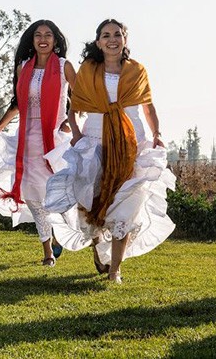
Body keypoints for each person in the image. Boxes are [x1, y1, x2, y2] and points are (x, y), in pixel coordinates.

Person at [44, 19, 176, 284]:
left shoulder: (137, 71)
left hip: (130, 143)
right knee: (92, 202)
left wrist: (157, 134)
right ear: (98, 42)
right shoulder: (89, 70)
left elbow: (148, 107)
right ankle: (97, 246)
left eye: (117, 34)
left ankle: (115, 269)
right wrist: (77, 134)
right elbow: (74, 108)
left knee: (127, 203)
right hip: (95, 141)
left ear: (125, 39)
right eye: (106, 35)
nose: (112, 39)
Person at [0, 20, 76, 266]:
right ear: (32, 40)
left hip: (55, 139)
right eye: (38, 35)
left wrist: (69, 121)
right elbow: (17, 104)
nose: (43, 39)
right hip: (28, 140)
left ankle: (64, 234)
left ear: (56, 40)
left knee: (59, 192)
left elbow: (82, 98)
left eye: (48, 35)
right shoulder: (24, 67)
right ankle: (47, 249)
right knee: (33, 196)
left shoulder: (65, 67)